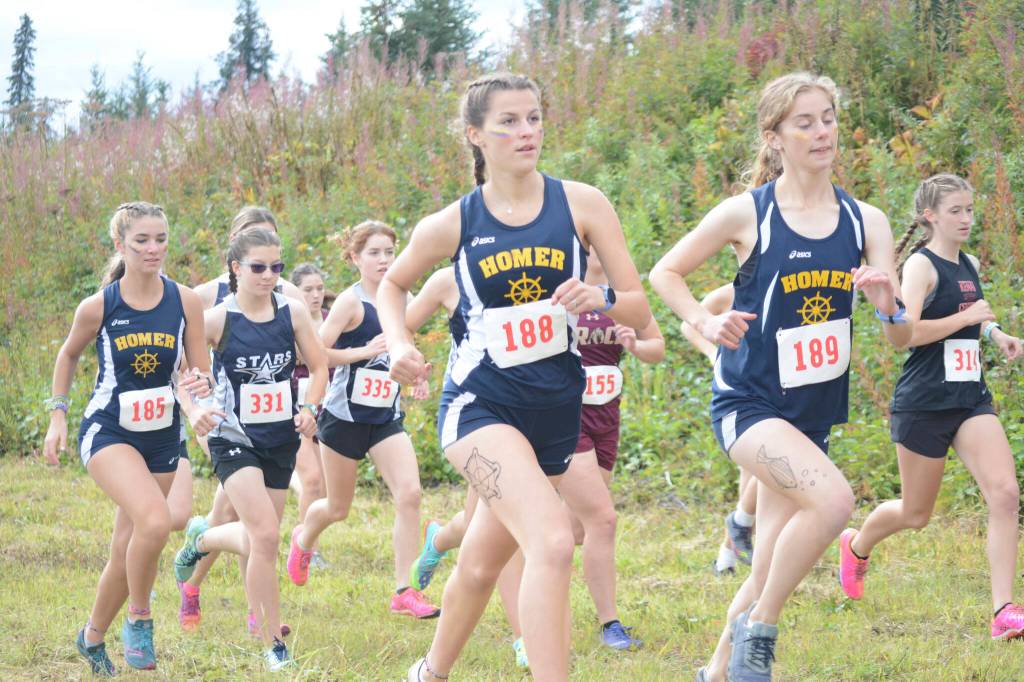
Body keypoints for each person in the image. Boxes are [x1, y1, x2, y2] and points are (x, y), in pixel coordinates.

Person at [376, 72, 652, 682]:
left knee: (478, 564)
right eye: (508, 121)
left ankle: (428, 672)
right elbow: (393, 286)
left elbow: (637, 306)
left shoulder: (583, 203)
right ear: (475, 135)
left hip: (555, 410)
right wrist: (398, 343)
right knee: (554, 540)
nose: (526, 131)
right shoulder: (453, 223)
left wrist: (597, 294)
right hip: (479, 408)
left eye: (533, 117)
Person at [649, 72, 913, 681]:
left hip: (811, 413)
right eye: (805, 122)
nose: (822, 132)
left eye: (828, 118)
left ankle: (716, 673)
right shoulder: (749, 214)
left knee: (768, 559)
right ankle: (760, 630)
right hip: (749, 404)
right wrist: (702, 322)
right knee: (835, 500)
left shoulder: (865, 220)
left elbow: (900, 335)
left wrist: (887, 305)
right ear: (775, 137)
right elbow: (667, 272)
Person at [838, 173, 1024, 639]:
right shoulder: (920, 267)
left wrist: (996, 334)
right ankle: (857, 546)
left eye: (969, 209)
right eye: (956, 211)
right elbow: (909, 336)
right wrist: (969, 317)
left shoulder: (970, 262)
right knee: (916, 515)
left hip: (969, 398)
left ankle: (1003, 610)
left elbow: (974, 318)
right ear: (930, 216)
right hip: (924, 402)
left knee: (1005, 495)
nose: (966, 218)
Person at [42, 202, 218, 675]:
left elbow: (197, 370)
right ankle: (139, 618)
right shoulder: (100, 305)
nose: (153, 248)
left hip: (161, 434)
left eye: (160, 238)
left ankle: (91, 636)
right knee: (156, 524)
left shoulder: (185, 301)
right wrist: (57, 417)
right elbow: (68, 355)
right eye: (142, 240)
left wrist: (198, 394)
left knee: (128, 546)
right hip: (109, 430)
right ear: (120, 244)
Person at [173, 227, 327, 671]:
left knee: (260, 540)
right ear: (236, 268)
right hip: (233, 437)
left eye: (276, 267)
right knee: (264, 536)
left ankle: (201, 538)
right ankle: (273, 645)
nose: (269, 275)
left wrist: (311, 407)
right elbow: (182, 372)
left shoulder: (293, 312)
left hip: (280, 435)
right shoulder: (218, 319)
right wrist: (194, 408)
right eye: (258, 267)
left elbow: (317, 367)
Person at [286, 221, 440, 620]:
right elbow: (315, 355)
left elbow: (404, 348)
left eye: (389, 251)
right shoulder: (350, 303)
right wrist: (363, 352)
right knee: (337, 508)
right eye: (374, 253)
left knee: (410, 494)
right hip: (343, 419)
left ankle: (403, 591)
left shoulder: (403, 300)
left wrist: (417, 373)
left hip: (386, 417)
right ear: (355, 258)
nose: (384, 260)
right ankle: (303, 538)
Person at [680, 284, 759, 576]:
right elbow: (689, 326)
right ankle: (736, 548)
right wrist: (714, 354)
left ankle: (729, 553)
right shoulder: (730, 292)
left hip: (778, 384)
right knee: (755, 470)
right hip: (741, 388)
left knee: (756, 473)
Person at [288, 263, 333, 568]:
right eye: (308, 290)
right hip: (299, 407)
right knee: (313, 481)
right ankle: (308, 551)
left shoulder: (333, 320)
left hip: (331, 409)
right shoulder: (289, 323)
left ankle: (303, 536)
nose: (316, 295)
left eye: (319, 288)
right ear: (295, 292)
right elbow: (310, 357)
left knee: (328, 491)